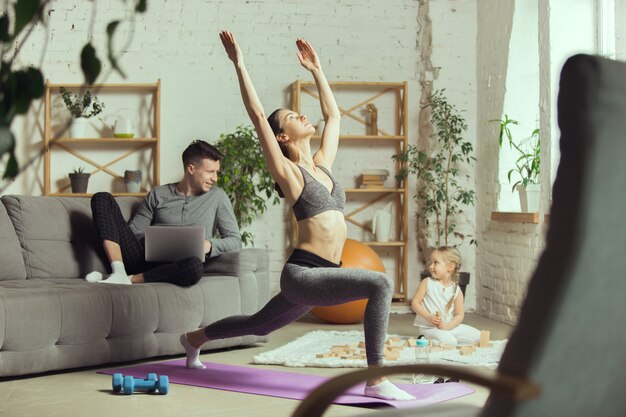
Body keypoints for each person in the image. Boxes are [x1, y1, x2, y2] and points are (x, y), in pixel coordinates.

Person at [179, 31, 415, 401]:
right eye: (291, 116)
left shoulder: (322, 165)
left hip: (325, 274)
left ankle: (193, 339)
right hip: (304, 274)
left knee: (257, 324)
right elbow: (258, 117)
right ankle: (376, 377)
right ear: (282, 137)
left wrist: (318, 70)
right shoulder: (290, 175)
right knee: (380, 284)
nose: (301, 115)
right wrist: (239, 64)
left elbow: (333, 114)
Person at [85, 140, 242, 287]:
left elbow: (235, 240)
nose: (215, 178)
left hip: (179, 266)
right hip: (143, 259)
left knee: (194, 268)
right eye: (210, 172)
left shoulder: (218, 197)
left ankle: (129, 279)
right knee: (101, 198)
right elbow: (134, 232)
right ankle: (118, 270)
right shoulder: (158, 194)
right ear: (191, 169)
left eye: (216, 172)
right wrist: (154, 239)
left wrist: (209, 244)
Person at [411, 247, 480, 347]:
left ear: (450, 267)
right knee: (451, 342)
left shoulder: (456, 290)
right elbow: (415, 303)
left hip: (448, 327)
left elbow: (459, 315)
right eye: (431, 262)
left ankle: (445, 338)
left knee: (478, 336)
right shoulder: (427, 283)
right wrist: (429, 317)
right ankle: (431, 340)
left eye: (436, 263)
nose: (431, 266)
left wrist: (448, 326)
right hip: (430, 328)